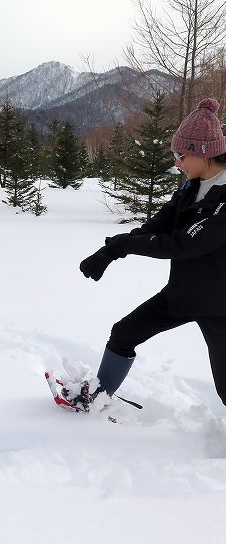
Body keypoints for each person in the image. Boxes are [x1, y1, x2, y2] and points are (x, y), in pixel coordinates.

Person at [77, 98, 226, 411]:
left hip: (219, 304)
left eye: (180, 155)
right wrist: (111, 250)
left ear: (202, 152)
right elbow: (156, 227)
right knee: (123, 333)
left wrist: (123, 245)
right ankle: (97, 399)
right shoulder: (190, 188)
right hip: (182, 295)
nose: (176, 162)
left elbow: (182, 244)